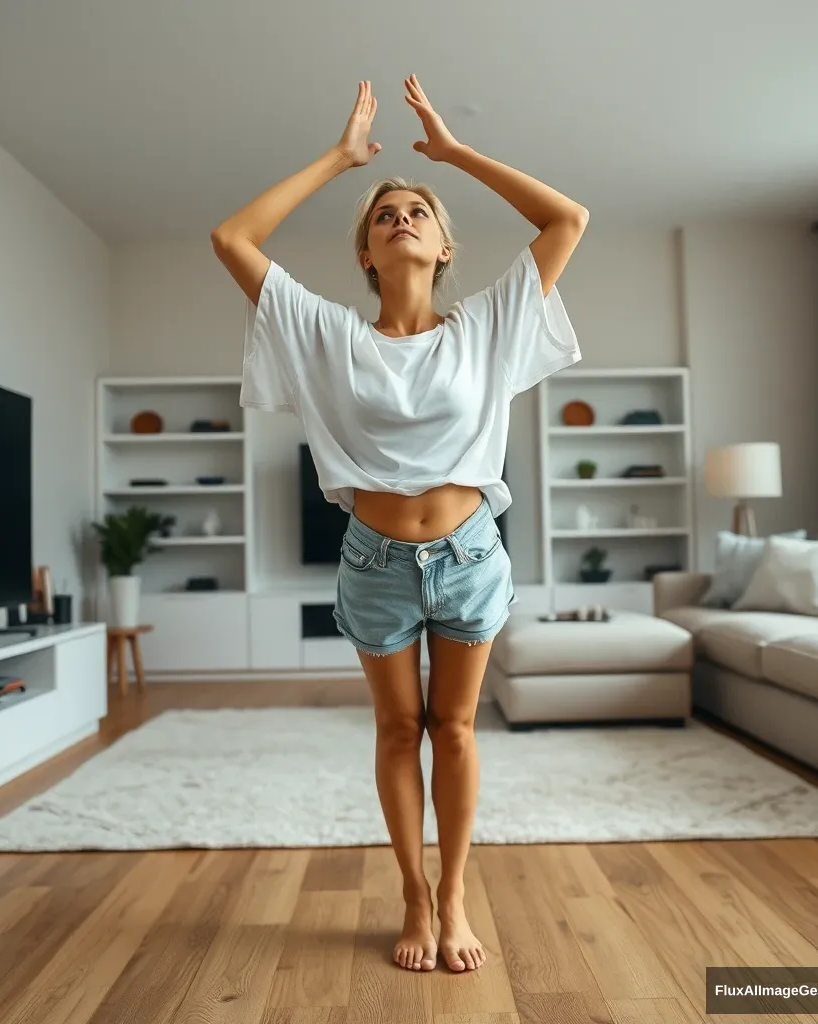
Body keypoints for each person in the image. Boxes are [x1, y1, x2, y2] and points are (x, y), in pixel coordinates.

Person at [211, 76, 588, 973]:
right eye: (385, 217)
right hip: (374, 561)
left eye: (419, 211)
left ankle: (453, 895)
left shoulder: (488, 325)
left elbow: (566, 219)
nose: (402, 218)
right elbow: (232, 238)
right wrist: (344, 159)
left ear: (444, 244)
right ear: (367, 256)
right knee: (395, 732)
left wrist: (452, 154)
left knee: (454, 731)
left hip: (469, 557)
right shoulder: (327, 334)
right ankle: (411, 894)